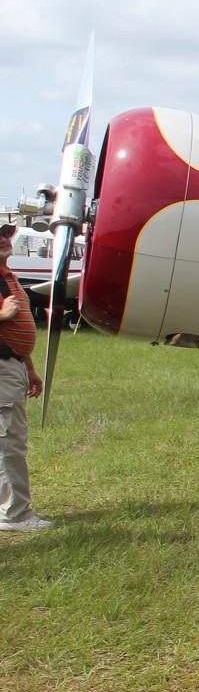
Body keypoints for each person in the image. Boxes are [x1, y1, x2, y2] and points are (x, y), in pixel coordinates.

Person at [0, 223, 49, 532]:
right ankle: (14, 514)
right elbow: (7, 319)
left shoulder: (8, 277)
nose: (5, 239)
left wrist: (29, 368)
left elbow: (17, 327)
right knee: (8, 441)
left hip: (14, 365)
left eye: (6, 234)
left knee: (10, 438)